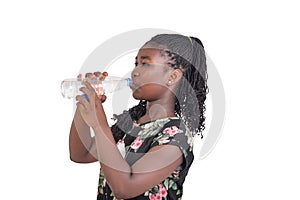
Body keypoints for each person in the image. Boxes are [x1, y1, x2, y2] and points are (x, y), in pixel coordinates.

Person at [69, 34, 208, 200]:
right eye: (136, 63)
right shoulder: (129, 123)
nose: (135, 72)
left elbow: (124, 188)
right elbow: (80, 154)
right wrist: (85, 104)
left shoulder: (177, 135)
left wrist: (99, 125)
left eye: (145, 64)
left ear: (172, 77)